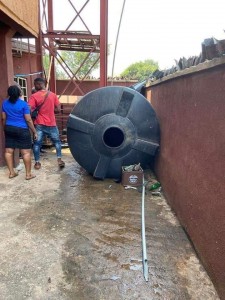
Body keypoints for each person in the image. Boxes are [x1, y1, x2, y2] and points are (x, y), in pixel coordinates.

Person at [1, 85, 37, 180]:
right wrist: (34, 131)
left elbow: (3, 118)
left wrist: (5, 128)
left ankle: (12, 173)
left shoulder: (4, 103)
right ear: (19, 93)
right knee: (25, 152)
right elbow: (28, 120)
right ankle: (28, 174)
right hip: (22, 130)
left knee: (8, 151)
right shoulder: (23, 104)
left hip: (9, 128)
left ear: (8, 93)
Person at [28, 77, 65, 170]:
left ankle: (37, 163)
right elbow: (58, 110)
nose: (34, 86)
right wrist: (50, 112)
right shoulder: (53, 95)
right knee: (57, 142)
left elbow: (29, 109)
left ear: (38, 84)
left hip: (39, 124)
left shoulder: (34, 96)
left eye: (35, 84)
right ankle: (59, 159)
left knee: (37, 144)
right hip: (52, 123)